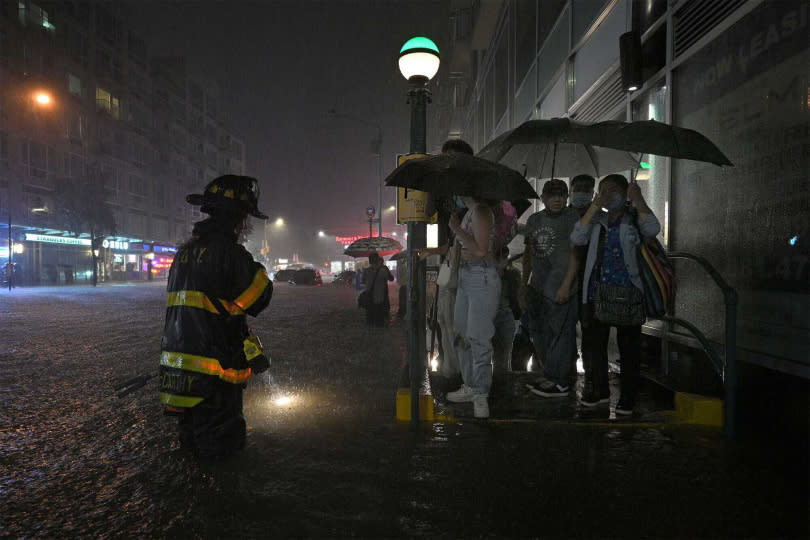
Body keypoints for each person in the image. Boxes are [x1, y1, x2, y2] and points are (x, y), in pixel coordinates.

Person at [159, 174, 273, 459]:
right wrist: (254, 264)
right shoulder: (229, 254)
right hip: (215, 376)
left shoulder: (183, 254)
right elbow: (260, 296)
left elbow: (207, 308)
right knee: (222, 454)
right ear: (238, 219)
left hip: (178, 374)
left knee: (190, 450)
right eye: (245, 218)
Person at [571, 174, 660, 415]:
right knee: (594, 344)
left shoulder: (633, 218)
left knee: (629, 347)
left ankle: (628, 397)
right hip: (597, 292)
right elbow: (577, 236)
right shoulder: (597, 219)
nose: (608, 195)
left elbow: (653, 229)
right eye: (603, 190)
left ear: (624, 193)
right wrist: (594, 207)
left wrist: (638, 199)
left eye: (613, 190)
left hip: (628, 293)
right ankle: (599, 390)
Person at [520, 179, 581, 398]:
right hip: (538, 286)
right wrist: (524, 284)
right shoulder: (535, 220)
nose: (557, 199)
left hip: (562, 287)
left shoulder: (573, 218)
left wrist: (567, 284)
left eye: (562, 195)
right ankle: (550, 375)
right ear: (543, 197)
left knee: (562, 335)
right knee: (540, 334)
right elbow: (528, 255)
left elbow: (576, 254)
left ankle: (561, 380)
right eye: (552, 195)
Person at [445, 193, 500, 419]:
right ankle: (469, 385)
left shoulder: (480, 211)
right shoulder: (469, 212)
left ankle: (480, 394)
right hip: (467, 277)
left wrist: (457, 229)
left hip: (482, 277)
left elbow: (480, 250)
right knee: (461, 334)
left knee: (478, 337)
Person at [569, 174, 596, 394]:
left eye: (586, 189)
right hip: (563, 285)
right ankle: (565, 374)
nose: (581, 192)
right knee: (563, 332)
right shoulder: (562, 217)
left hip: (590, 286)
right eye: (578, 188)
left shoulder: (600, 219)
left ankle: (591, 377)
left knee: (590, 334)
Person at [363, 252, 394, 326]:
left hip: (369, 296)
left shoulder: (366, 271)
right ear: (378, 260)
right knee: (379, 315)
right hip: (380, 296)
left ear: (369, 261)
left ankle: (370, 326)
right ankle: (378, 326)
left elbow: (363, 281)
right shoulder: (383, 271)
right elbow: (391, 279)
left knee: (370, 314)